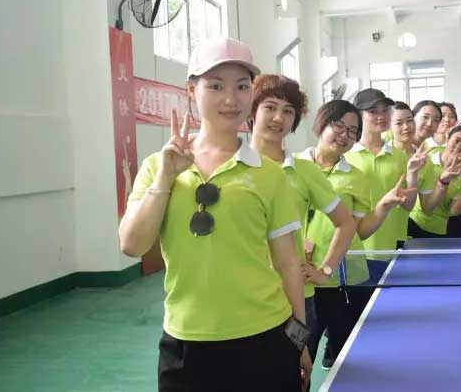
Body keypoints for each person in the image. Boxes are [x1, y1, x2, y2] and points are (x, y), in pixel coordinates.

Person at [119, 38, 310, 391]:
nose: (231, 99)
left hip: (266, 337)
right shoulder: (157, 166)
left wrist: (300, 341)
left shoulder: (269, 175)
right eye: (216, 86)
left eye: (242, 86)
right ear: (191, 90)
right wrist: (166, 177)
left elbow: (287, 263)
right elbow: (132, 244)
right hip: (186, 341)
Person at [297, 99, 416, 369]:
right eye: (339, 126)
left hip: (342, 281)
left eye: (352, 131)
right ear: (322, 123)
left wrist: (384, 205)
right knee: (299, 359)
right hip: (298, 280)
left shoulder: (356, 177)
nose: (345, 135)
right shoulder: (291, 166)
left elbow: (359, 231)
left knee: (344, 360)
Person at [248, 74, 356, 367]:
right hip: (243, 297)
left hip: (295, 299)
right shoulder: (230, 167)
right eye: (270, 107)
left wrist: (325, 270)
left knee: (295, 373)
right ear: (252, 110)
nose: (278, 117)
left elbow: (346, 223)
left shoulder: (305, 171)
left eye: (288, 111)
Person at [345, 89, 422, 283]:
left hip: (393, 247)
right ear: (359, 115)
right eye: (373, 111)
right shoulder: (345, 156)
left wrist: (412, 175)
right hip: (358, 249)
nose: (381, 116)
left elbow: (408, 205)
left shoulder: (399, 156)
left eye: (385, 110)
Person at [408, 126, 461, 238]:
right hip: (413, 223)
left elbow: (454, 211)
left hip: (438, 231)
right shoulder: (427, 160)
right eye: (456, 141)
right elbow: (425, 207)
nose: (459, 146)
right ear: (448, 139)